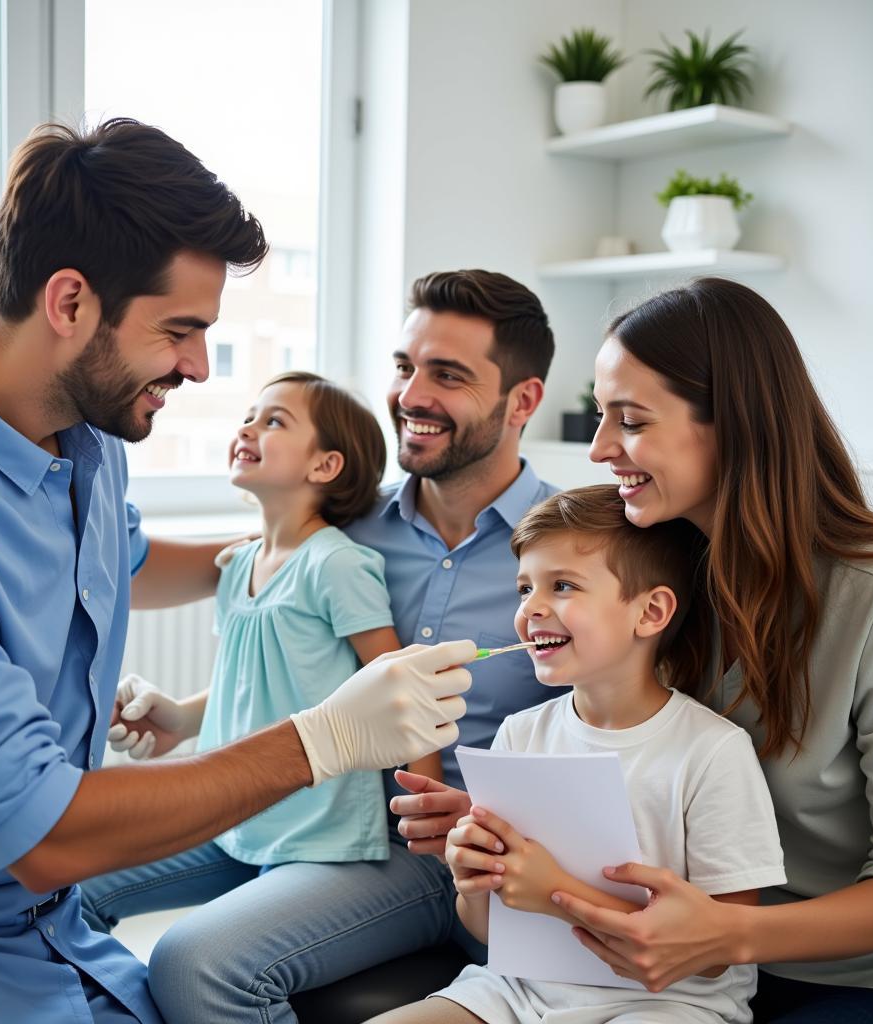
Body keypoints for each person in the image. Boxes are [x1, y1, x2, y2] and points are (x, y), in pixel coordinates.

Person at [0, 119, 476, 1024]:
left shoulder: (83, 429)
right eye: (181, 331)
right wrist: (323, 740)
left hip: (58, 925)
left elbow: (125, 559)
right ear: (70, 302)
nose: (199, 366)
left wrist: (284, 554)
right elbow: (39, 832)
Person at [397, 277, 873, 1023]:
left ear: (736, 426)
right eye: (602, 417)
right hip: (635, 955)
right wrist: (512, 828)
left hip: (839, 975)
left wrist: (728, 932)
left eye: (628, 420)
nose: (600, 450)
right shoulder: (655, 579)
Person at [120, 269, 559, 1023]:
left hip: (452, 851)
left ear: (522, 401)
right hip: (322, 816)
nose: (411, 395)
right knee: (47, 875)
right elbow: (283, 658)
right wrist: (191, 717)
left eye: (446, 375)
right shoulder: (344, 534)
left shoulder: (573, 549)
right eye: (403, 367)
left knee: (195, 963)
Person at [371, 484, 785, 1024]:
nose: (531, 608)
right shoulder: (518, 737)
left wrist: (553, 891)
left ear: (651, 611)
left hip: (666, 1005)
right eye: (524, 588)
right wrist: (470, 878)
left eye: (562, 586)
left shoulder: (713, 753)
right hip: (515, 992)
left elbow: (714, 956)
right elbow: (489, 928)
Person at [80, 370, 451, 930]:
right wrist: (181, 716)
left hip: (316, 836)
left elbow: (401, 688)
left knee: (188, 947)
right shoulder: (236, 568)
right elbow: (248, 681)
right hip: (236, 820)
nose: (248, 427)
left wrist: (425, 808)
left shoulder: (337, 564)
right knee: (74, 889)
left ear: (324, 466)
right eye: (249, 416)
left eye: (273, 420)